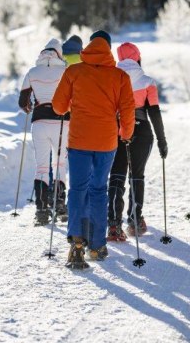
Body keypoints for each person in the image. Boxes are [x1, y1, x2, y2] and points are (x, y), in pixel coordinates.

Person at [52, 30, 135, 268]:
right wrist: (126, 134)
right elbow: (128, 109)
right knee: (99, 190)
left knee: (78, 189)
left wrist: (74, 103)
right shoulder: (120, 76)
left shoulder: (74, 72)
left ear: (88, 48)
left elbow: (58, 107)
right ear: (109, 50)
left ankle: (77, 244)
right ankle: (97, 246)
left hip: (79, 141)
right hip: (107, 142)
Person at [106, 43, 168, 241]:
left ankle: (114, 225)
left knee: (116, 175)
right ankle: (134, 220)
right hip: (141, 130)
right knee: (136, 175)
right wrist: (161, 140)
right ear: (137, 58)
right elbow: (154, 112)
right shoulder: (147, 81)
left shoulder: (111, 79)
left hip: (116, 130)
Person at [19, 38, 70, 226]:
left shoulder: (32, 72)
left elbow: (23, 103)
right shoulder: (65, 71)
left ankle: (41, 210)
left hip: (39, 122)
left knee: (41, 167)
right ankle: (59, 205)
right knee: (60, 163)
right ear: (59, 54)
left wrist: (31, 104)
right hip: (62, 122)